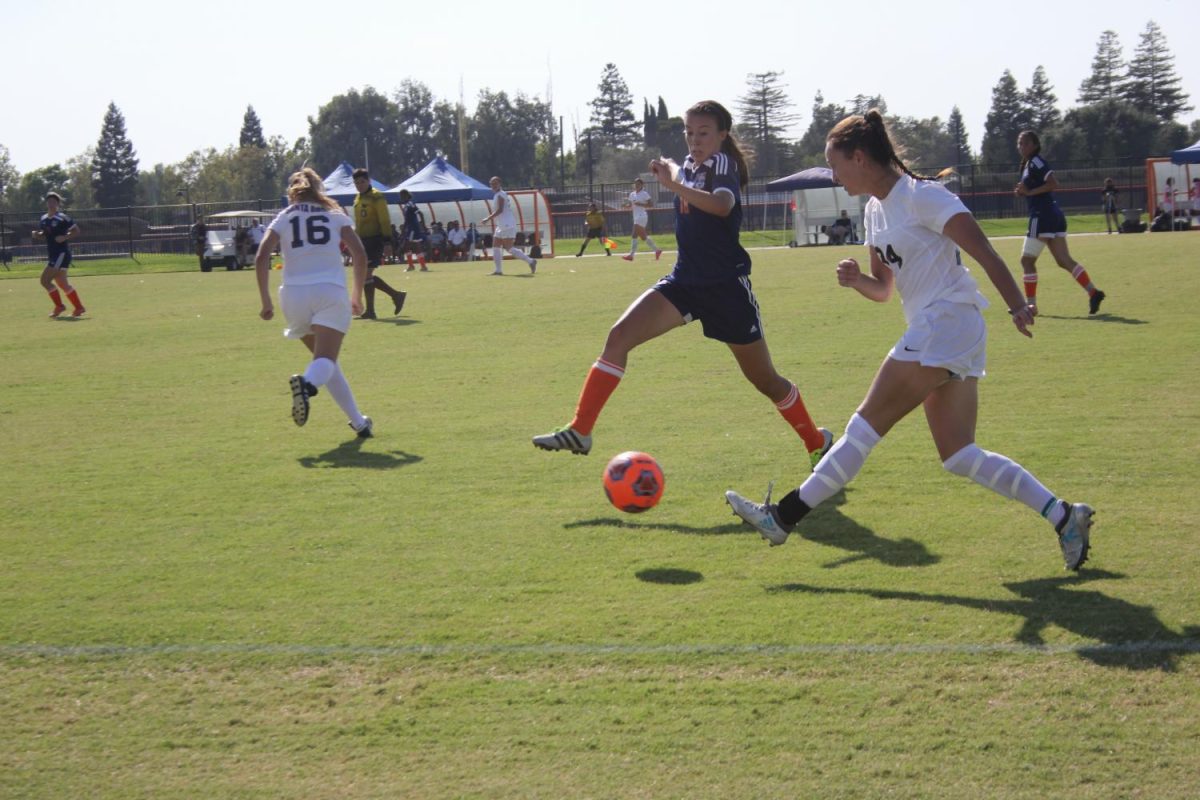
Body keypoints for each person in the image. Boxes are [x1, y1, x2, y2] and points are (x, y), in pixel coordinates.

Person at [724, 110, 1094, 572]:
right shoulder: (875, 211)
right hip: (940, 329)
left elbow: (984, 250)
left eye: (835, 165)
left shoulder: (923, 196)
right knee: (959, 454)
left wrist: (1017, 304)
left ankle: (783, 516)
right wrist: (859, 280)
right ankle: (1064, 516)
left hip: (948, 321)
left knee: (864, 426)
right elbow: (884, 289)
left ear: (860, 158)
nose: (834, 175)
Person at [532, 100, 832, 464]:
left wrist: (674, 185)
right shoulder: (689, 164)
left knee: (766, 381)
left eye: (703, 133)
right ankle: (580, 430)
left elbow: (721, 205)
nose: (694, 140)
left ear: (722, 135)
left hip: (726, 289)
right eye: (689, 133)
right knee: (619, 337)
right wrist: (668, 168)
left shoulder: (724, 165)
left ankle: (816, 441)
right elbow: (678, 167)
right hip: (685, 282)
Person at [255, 167, 374, 439]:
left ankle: (358, 422)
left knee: (325, 361)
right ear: (320, 190)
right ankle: (306, 384)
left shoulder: (284, 216)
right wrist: (356, 295)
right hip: (328, 293)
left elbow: (262, 256)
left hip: (293, 297)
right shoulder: (334, 214)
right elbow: (359, 253)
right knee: (324, 361)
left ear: (293, 193)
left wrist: (265, 301)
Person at [1014, 131, 1106, 316]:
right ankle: (1094, 292)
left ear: (1034, 144)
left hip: (1041, 216)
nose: (1021, 146)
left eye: (1024, 143)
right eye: (1019, 143)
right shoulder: (1029, 164)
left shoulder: (1036, 162)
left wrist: (1030, 193)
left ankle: (1030, 306)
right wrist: (1024, 191)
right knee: (1064, 261)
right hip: (1053, 215)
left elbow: (1053, 183)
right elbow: (1038, 186)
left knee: (1027, 261)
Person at [352, 167, 406, 319]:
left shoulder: (377, 197)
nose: (359, 185)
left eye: (362, 182)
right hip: (363, 241)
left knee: (366, 274)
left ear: (368, 181)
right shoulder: (358, 198)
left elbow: (384, 219)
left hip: (375, 239)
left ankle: (384, 302)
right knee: (364, 276)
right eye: (356, 183)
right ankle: (393, 298)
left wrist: (388, 242)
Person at [32, 192, 85, 318]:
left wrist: (65, 237)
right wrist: (37, 234)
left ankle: (59, 306)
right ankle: (79, 308)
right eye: (49, 201)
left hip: (61, 254)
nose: (51, 203)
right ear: (46, 203)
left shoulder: (63, 217)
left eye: (54, 201)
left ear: (58, 203)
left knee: (44, 280)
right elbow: (45, 235)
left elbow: (76, 231)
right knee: (62, 284)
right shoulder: (43, 219)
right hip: (53, 254)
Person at [481, 176, 537, 275]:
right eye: (491, 184)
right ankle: (498, 270)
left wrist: (488, 218)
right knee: (496, 246)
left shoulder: (501, 194)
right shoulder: (497, 195)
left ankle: (531, 261)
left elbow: (500, 210)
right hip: (501, 225)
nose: (493, 185)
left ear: (499, 184)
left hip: (507, 224)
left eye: (495, 183)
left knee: (509, 248)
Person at [621, 178, 663, 261]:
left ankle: (631, 255)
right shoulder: (632, 194)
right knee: (643, 237)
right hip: (636, 216)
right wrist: (625, 206)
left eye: (638, 184)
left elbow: (651, 204)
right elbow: (631, 205)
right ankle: (657, 250)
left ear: (642, 185)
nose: (636, 185)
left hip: (642, 216)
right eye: (635, 184)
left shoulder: (644, 193)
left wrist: (640, 204)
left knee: (634, 234)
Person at [395, 189, 430, 272]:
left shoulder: (411, 204)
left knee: (411, 246)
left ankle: (418, 266)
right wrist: (404, 229)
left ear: (407, 195)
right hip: (410, 229)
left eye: (403, 195)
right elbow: (407, 220)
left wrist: (423, 225)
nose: (401, 197)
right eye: (401, 196)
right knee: (410, 246)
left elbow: (420, 213)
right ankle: (416, 266)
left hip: (413, 229)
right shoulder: (406, 206)